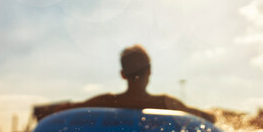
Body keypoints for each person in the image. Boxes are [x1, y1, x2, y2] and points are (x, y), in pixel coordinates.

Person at [34, 45, 216, 123]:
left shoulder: (106, 102)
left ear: (122, 75)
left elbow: (71, 108)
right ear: (149, 71)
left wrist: (43, 112)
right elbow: (207, 118)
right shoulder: (164, 103)